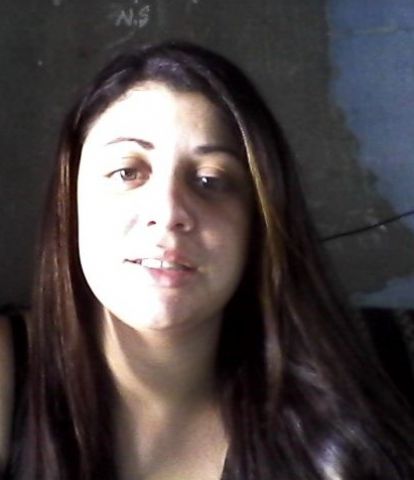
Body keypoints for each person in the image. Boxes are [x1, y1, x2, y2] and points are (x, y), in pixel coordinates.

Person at [0, 41, 413, 480]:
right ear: (70, 203)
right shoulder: (9, 371)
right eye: (127, 172)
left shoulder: (366, 391)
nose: (169, 212)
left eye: (210, 179)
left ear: (258, 221)